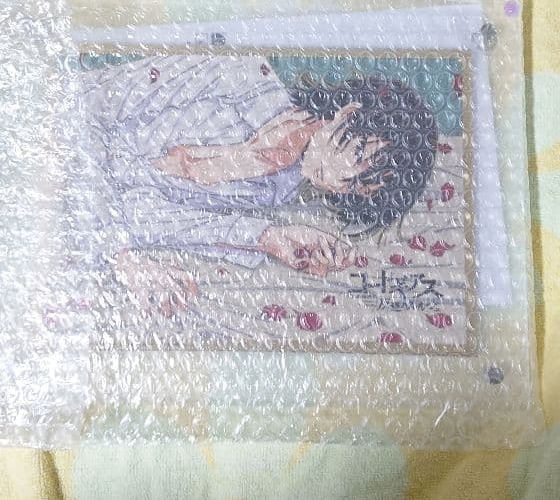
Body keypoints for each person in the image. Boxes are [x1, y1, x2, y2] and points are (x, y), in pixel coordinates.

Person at [81, 53, 439, 316]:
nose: (342, 178)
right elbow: (87, 112)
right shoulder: (243, 74)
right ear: (347, 112)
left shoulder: (274, 190)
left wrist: (268, 236)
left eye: (360, 185)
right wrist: (126, 261)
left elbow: (142, 207)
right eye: (357, 151)